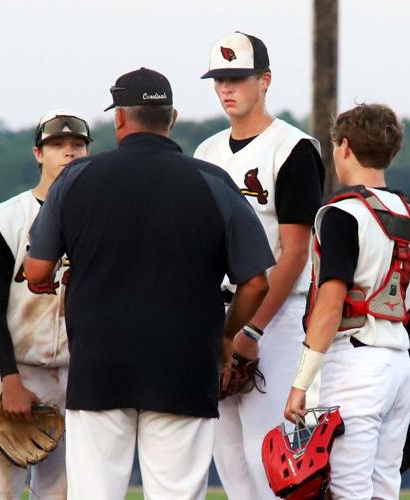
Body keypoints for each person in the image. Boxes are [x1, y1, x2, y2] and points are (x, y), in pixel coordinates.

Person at [24, 67, 274, 500]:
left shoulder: (76, 178)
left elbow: (36, 271)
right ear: (172, 118)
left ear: (120, 119)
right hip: (185, 367)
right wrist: (228, 336)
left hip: (100, 366)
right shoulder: (213, 181)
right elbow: (256, 282)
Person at [194, 31, 325, 499]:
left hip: (279, 316)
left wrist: (252, 331)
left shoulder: (293, 149)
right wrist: (219, 331)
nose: (227, 88)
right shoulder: (205, 154)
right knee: (227, 459)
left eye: (238, 78)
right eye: (220, 79)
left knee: (269, 457)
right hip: (221, 313)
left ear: (265, 80)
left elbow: (295, 250)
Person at [282, 104, 410, 499]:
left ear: (344, 146)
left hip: (355, 362)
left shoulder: (342, 214)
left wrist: (300, 383)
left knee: (347, 491)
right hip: (399, 364)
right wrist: (395, 369)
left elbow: (331, 305)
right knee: (384, 489)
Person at [0, 110, 92, 499]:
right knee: (0, 491)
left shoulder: (100, 217)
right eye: (57, 145)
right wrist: (10, 379)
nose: (69, 152)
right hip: (20, 368)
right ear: (38, 154)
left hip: (80, 372)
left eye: (77, 144)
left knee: (65, 492)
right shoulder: (7, 219)